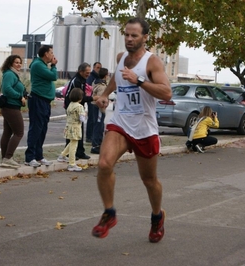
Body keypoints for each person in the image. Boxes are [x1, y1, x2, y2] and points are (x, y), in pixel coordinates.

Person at [92, 17, 172, 243]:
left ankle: (157, 216)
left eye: (134, 35)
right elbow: (117, 80)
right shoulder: (121, 59)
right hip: (121, 123)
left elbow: (166, 93)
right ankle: (109, 213)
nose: (128, 38)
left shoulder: (152, 62)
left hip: (144, 128)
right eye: (126, 34)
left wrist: (139, 81)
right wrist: (105, 95)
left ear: (145, 37)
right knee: (104, 164)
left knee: (149, 180)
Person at [24, 45, 58, 167]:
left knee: (42, 129)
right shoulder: (38, 64)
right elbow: (53, 76)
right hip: (38, 99)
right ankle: (30, 157)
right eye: (51, 52)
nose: (53, 55)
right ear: (45, 54)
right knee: (36, 128)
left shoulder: (43, 65)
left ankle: (39, 155)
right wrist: (54, 66)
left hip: (45, 101)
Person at [0, 55, 27, 169]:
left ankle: (5, 158)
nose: (19, 64)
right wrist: (20, 97)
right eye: (16, 62)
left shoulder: (12, 74)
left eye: (20, 62)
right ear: (10, 64)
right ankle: (8, 157)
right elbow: (7, 89)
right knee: (19, 132)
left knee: (7, 132)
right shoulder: (10, 74)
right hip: (11, 107)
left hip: (10, 106)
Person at [64, 62, 96, 160]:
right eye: (87, 72)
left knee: (79, 130)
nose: (88, 74)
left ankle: (79, 151)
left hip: (78, 107)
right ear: (80, 71)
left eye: (89, 72)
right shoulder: (76, 81)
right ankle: (69, 153)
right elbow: (79, 97)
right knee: (73, 131)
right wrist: (92, 98)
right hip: (73, 108)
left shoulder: (82, 80)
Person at [57, 88, 86, 171]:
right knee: (74, 145)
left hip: (69, 126)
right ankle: (72, 164)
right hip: (76, 127)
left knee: (71, 142)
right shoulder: (79, 107)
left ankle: (62, 155)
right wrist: (85, 114)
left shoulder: (70, 105)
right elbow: (82, 119)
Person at [90, 67, 109, 154]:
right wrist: (104, 105)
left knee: (97, 125)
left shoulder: (95, 82)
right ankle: (96, 145)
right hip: (99, 109)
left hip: (94, 107)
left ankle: (96, 144)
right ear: (106, 76)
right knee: (99, 126)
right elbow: (100, 100)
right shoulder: (102, 86)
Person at [86, 62, 102, 143]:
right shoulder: (91, 76)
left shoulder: (98, 77)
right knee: (91, 118)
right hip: (91, 99)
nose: (99, 69)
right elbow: (88, 87)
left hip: (96, 100)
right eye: (97, 67)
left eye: (100, 68)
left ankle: (92, 135)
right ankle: (89, 136)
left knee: (95, 119)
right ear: (94, 67)